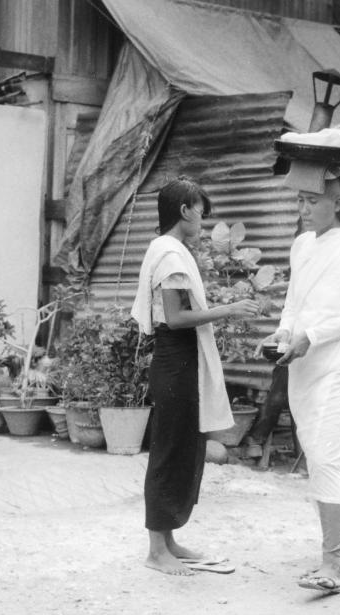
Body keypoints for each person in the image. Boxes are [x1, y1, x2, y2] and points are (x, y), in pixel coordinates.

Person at [262, 160, 340, 594]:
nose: (304, 208)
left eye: (313, 200)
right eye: (300, 199)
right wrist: (284, 331)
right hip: (305, 368)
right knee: (318, 454)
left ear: (337, 202)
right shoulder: (302, 247)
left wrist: (312, 336)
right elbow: (295, 303)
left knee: (326, 456)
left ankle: (332, 561)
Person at [130, 177, 259, 576]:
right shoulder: (169, 255)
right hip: (175, 358)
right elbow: (175, 318)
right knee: (170, 451)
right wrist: (230, 308)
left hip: (182, 359)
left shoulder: (170, 250)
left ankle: (168, 541)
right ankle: (156, 550)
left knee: (185, 447)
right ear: (185, 211)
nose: (203, 218)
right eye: (200, 210)